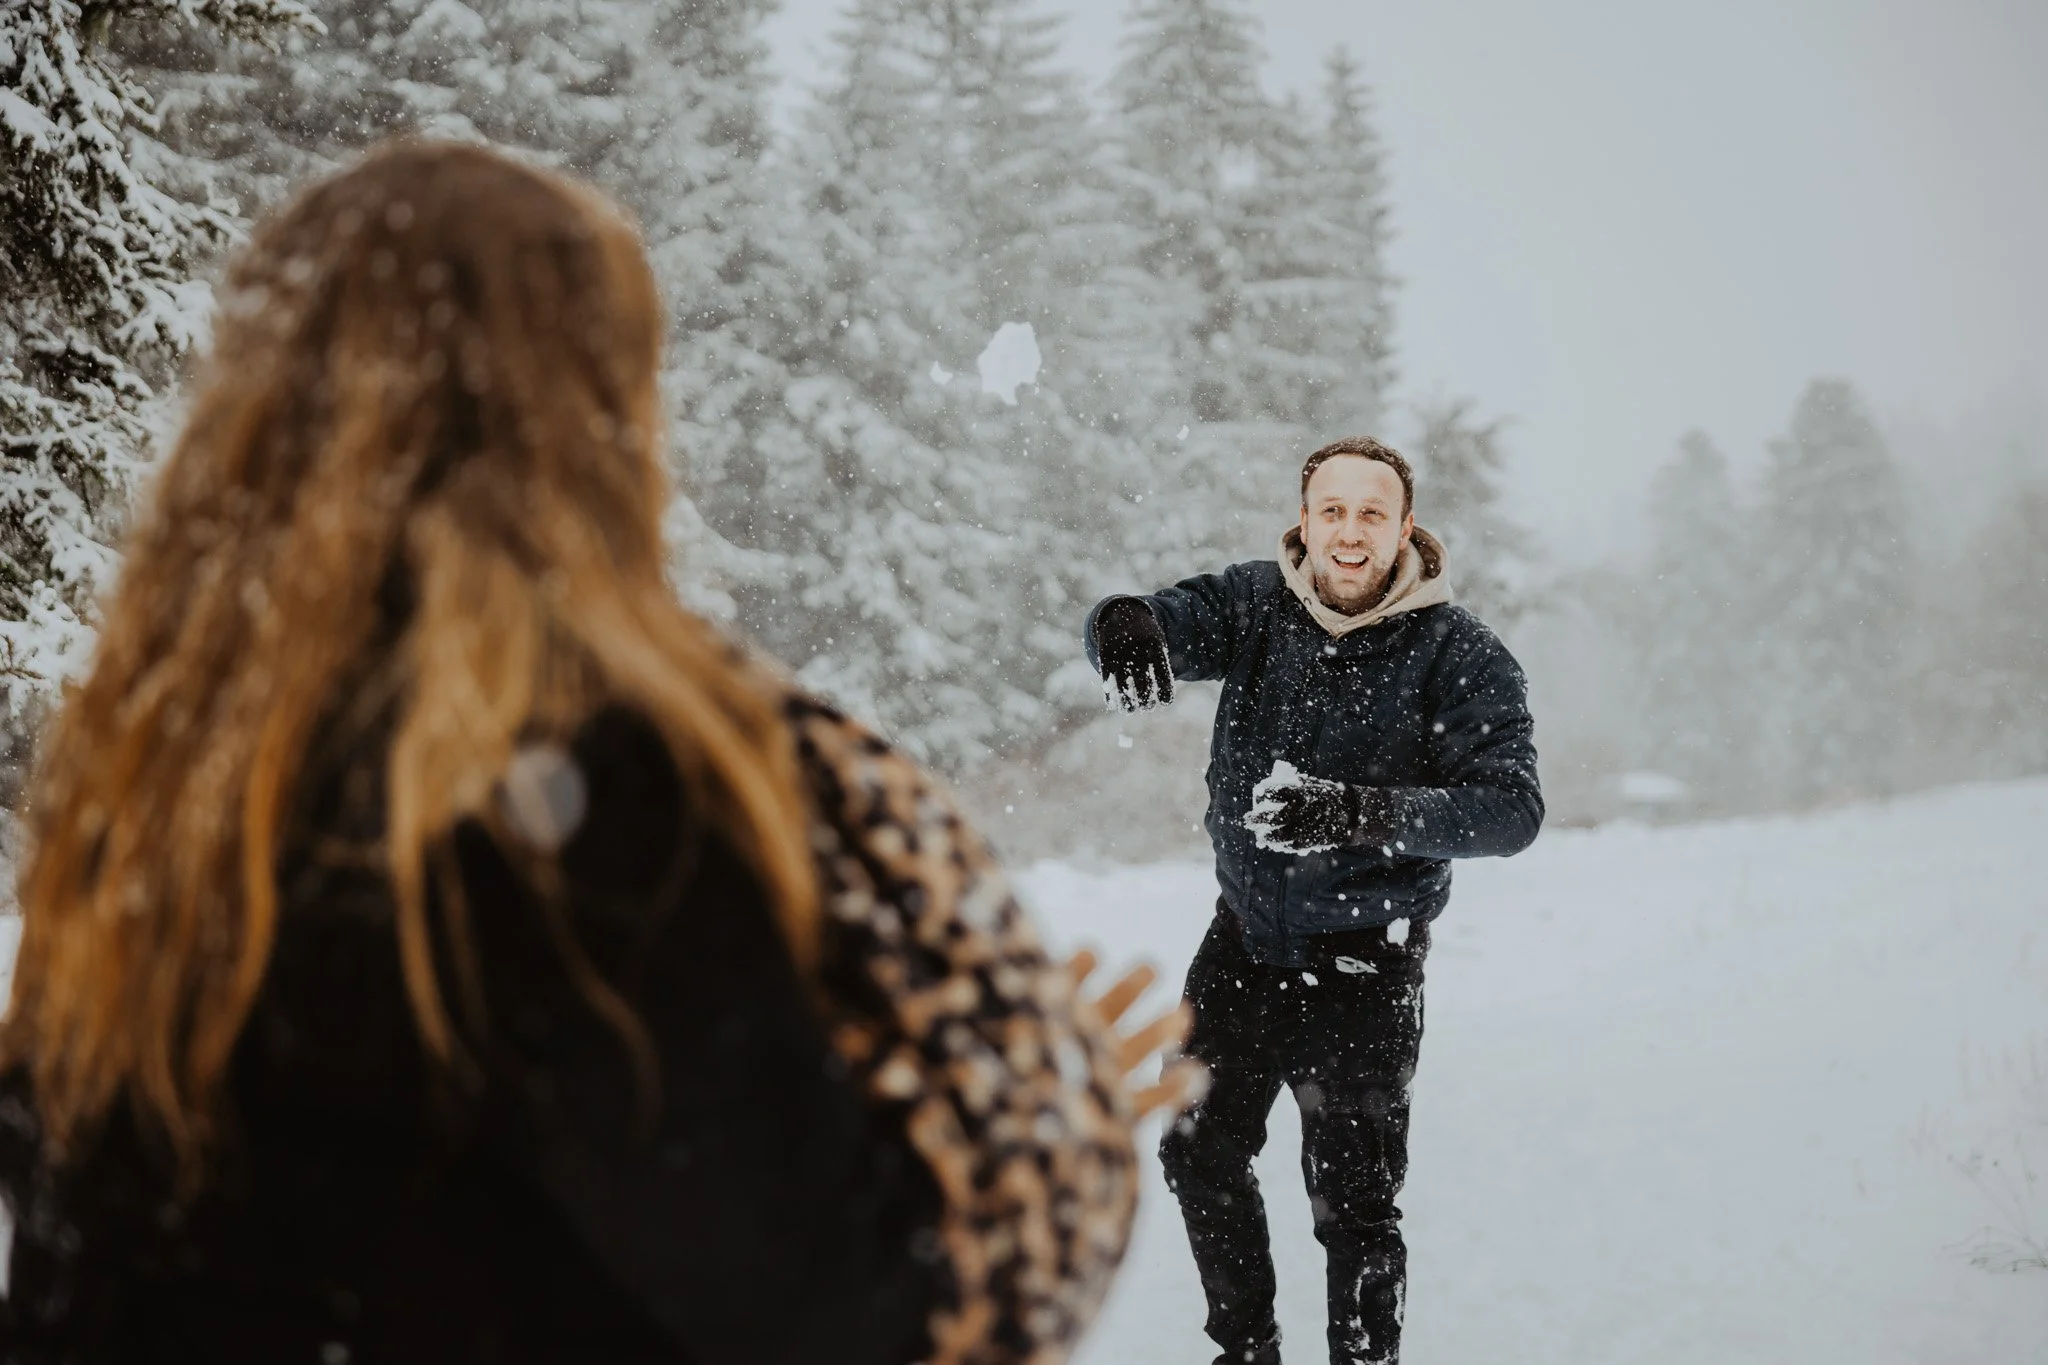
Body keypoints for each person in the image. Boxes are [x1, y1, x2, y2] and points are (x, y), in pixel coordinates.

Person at [0, 142, 1190, 1365]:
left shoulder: (148, 786)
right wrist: (1040, 1132)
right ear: (587, 424)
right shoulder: (593, 795)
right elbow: (854, 1321)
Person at [1084, 437, 1543, 1365]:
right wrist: (1122, 622)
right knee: (1197, 1152)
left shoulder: (1459, 652)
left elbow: (1511, 809)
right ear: (1304, 521)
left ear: (1405, 529)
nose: (1350, 532)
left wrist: (1357, 814)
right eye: (1332, 510)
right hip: (1243, 946)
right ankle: (1246, 1349)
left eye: (1372, 513)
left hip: (1368, 964)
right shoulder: (1256, 605)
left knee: (1354, 1205)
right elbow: (1160, 617)